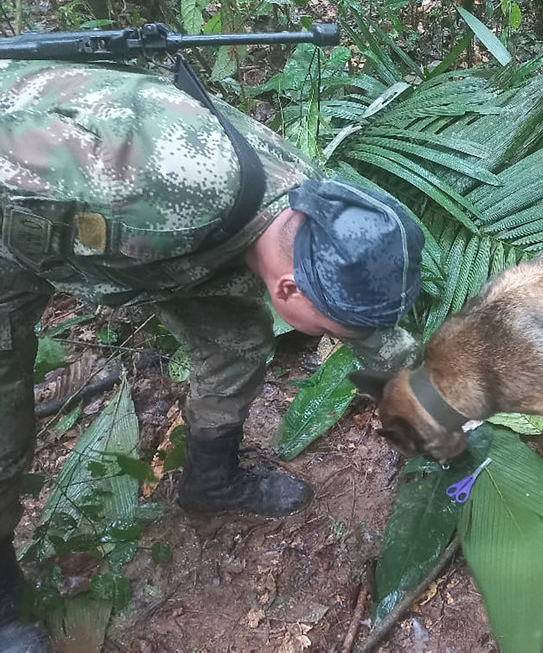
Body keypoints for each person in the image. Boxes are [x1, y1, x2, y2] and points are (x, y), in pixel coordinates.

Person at [0, 58, 424, 649]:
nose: (340, 337)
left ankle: (210, 480)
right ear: (288, 290)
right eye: (333, 329)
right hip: (17, 210)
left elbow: (368, 326)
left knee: (237, 342)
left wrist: (427, 395)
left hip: (147, 241)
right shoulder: (151, 187)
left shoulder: (314, 212)